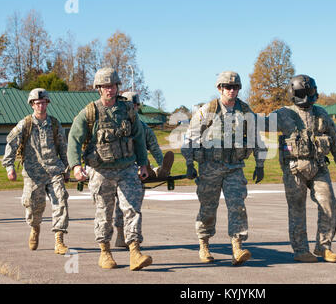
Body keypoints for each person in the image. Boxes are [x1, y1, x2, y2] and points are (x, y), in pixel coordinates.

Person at [67, 68, 152, 271]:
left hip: (126, 169)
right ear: (98, 88)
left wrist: (143, 164)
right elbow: (74, 140)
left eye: (113, 85)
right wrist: (76, 166)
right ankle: (105, 252)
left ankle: (135, 252)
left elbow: (139, 137)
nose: (110, 90)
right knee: (104, 213)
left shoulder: (128, 110)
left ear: (117, 87)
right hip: (101, 171)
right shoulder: (90, 112)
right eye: (105, 86)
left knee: (132, 209)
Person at [181, 71, 266, 265]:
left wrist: (260, 164)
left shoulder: (245, 112)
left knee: (237, 206)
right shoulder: (207, 110)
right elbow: (191, 137)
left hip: (234, 167)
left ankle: (237, 247)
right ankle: (204, 245)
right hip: (209, 167)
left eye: (235, 87)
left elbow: (256, 138)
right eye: (227, 87)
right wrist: (189, 163)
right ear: (220, 88)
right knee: (208, 208)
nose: (232, 90)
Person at [266, 74, 336, 263]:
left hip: (319, 166)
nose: (308, 97)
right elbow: (258, 125)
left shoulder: (321, 113)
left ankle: (324, 247)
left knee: (329, 204)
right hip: (294, 169)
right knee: (297, 209)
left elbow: (335, 137)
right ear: (294, 93)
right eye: (304, 93)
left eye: (310, 92)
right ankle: (301, 249)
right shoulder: (282, 114)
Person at [2, 88, 70, 255]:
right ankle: (34, 228)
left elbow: (63, 146)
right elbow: (11, 143)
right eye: (37, 103)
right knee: (33, 207)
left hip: (54, 171)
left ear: (47, 103)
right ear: (32, 105)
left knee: (61, 201)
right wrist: (9, 167)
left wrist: (67, 168)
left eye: (43, 102)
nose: (40, 105)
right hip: (33, 174)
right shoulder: (25, 124)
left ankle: (59, 239)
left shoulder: (54, 124)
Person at [112, 91, 174, 248]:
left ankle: (158, 171)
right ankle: (121, 236)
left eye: (134, 105)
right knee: (121, 204)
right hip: (120, 169)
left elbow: (155, 149)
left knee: (134, 205)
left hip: (140, 169)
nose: (132, 107)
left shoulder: (144, 128)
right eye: (129, 104)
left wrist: (162, 165)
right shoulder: (115, 125)